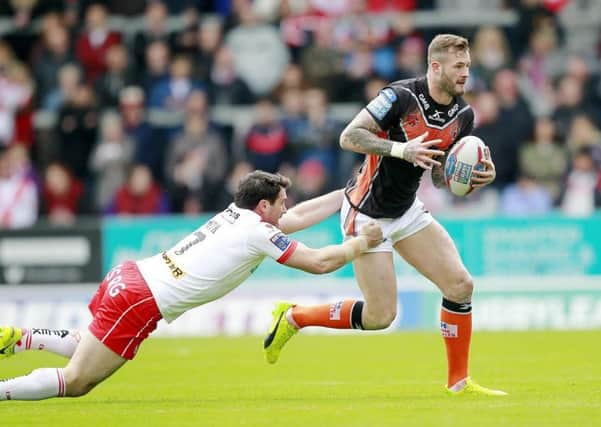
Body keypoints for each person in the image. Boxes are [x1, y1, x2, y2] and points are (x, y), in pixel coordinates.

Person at [262, 34, 507, 396]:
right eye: (458, 67)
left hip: (407, 210)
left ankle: (459, 382)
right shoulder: (400, 97)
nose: (465, 74)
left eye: (467, 66)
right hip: (368, 212)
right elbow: (350, 136)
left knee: (460, 285)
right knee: (380, 317)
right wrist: (400, 149)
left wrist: (473, 177)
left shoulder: (463, 115)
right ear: (435, 66)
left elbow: (439, 176)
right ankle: (296, 317)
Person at [0, 170, 382, 401]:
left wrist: (347, 195)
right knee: (79, 381)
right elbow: (317, 263)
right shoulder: (257, 232)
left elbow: (295, 217)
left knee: (87, 347)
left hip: (130, 276)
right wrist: (361, 244)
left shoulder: (240, 215)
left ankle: (21, 337)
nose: (287, 207)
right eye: (281, 201)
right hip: (140, 298)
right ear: (263, 207)